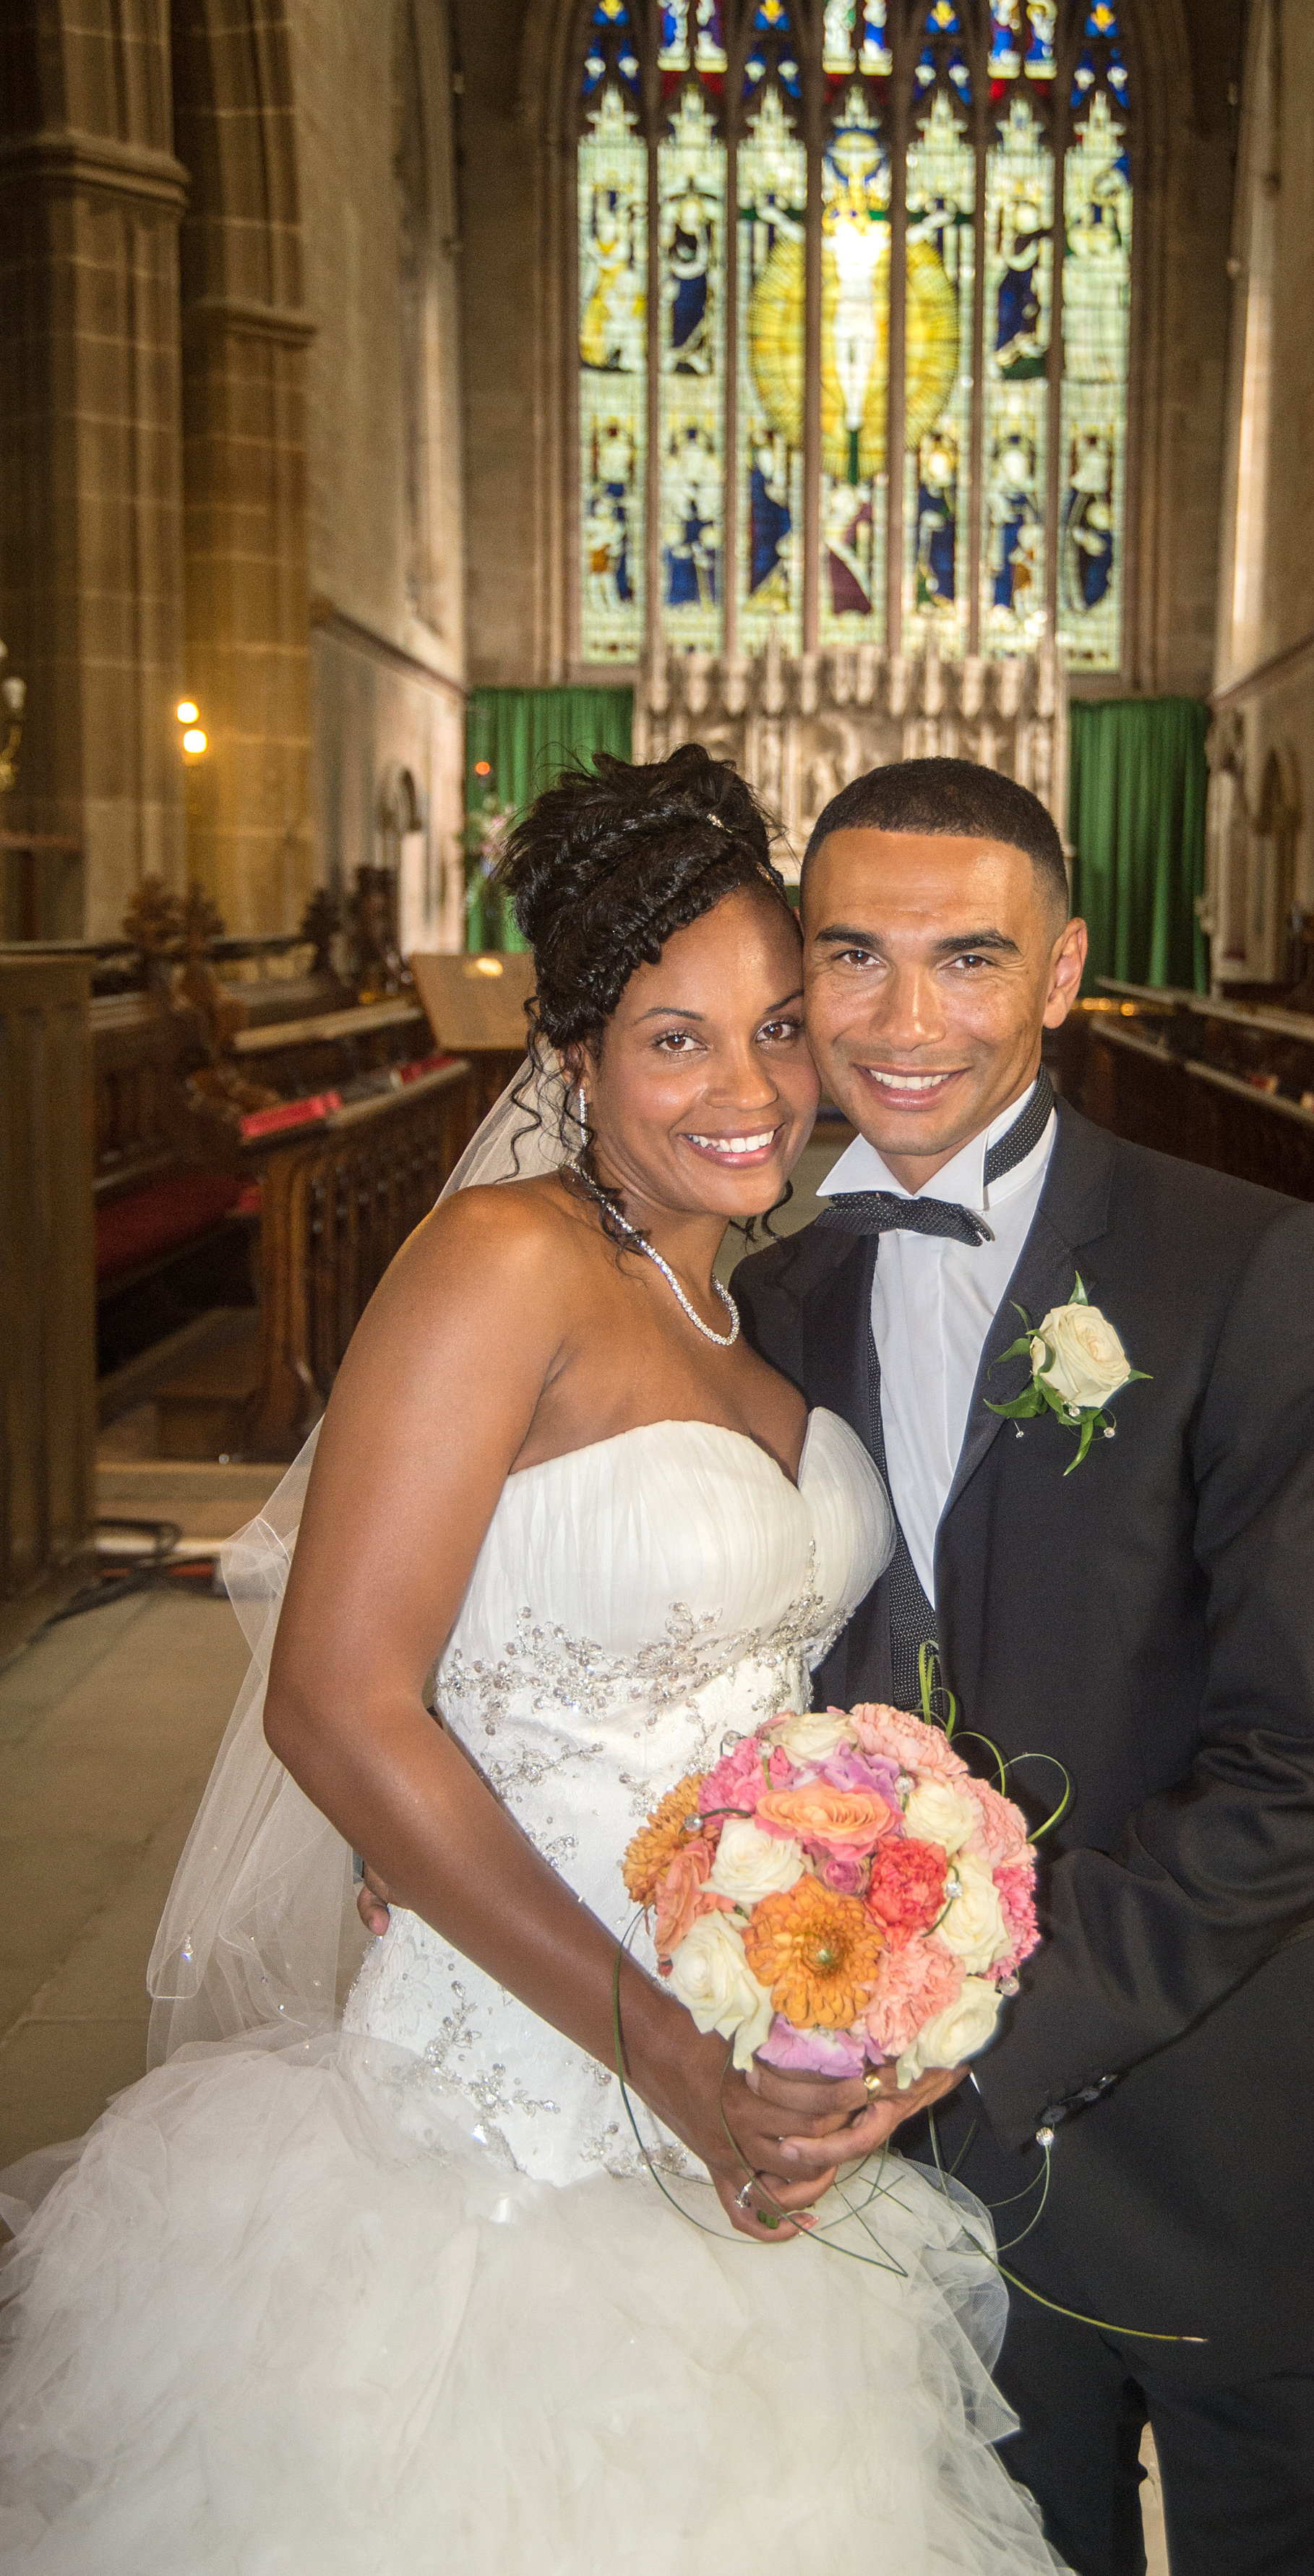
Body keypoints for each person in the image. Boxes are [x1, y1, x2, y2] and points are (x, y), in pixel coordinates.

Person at [0, 750, 1066, 2576]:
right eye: (674, 1039)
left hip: (741, 2084)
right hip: (508, 2106)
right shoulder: (501, 1263)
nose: (748, 1091)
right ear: (572, 1058)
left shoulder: (755, 1309)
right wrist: (651, 2038)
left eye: (780, 1030)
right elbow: (337, 1699)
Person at [729, 756, 1314, 2576]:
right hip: (930, 2210)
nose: (905, 1023)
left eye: (969, 961)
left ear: (1062, 973)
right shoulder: (768, 1303)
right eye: (853, 959)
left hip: (1254, 2140)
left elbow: (1307, 1768)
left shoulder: (1247, 1269)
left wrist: (982, 2026)